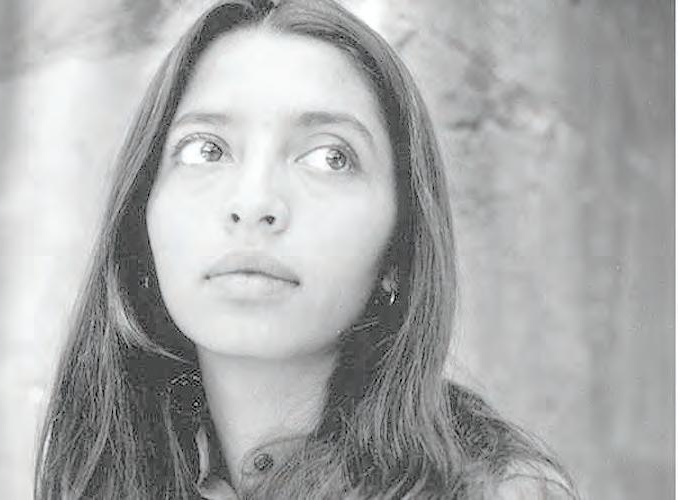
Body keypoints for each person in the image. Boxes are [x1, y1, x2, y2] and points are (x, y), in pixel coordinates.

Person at [34, 0, 578, 498]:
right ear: (141, 219)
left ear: (400, 247)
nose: (253, 202)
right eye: (206, 150)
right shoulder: (103, 475)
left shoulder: (497, 492)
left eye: (330, 157)